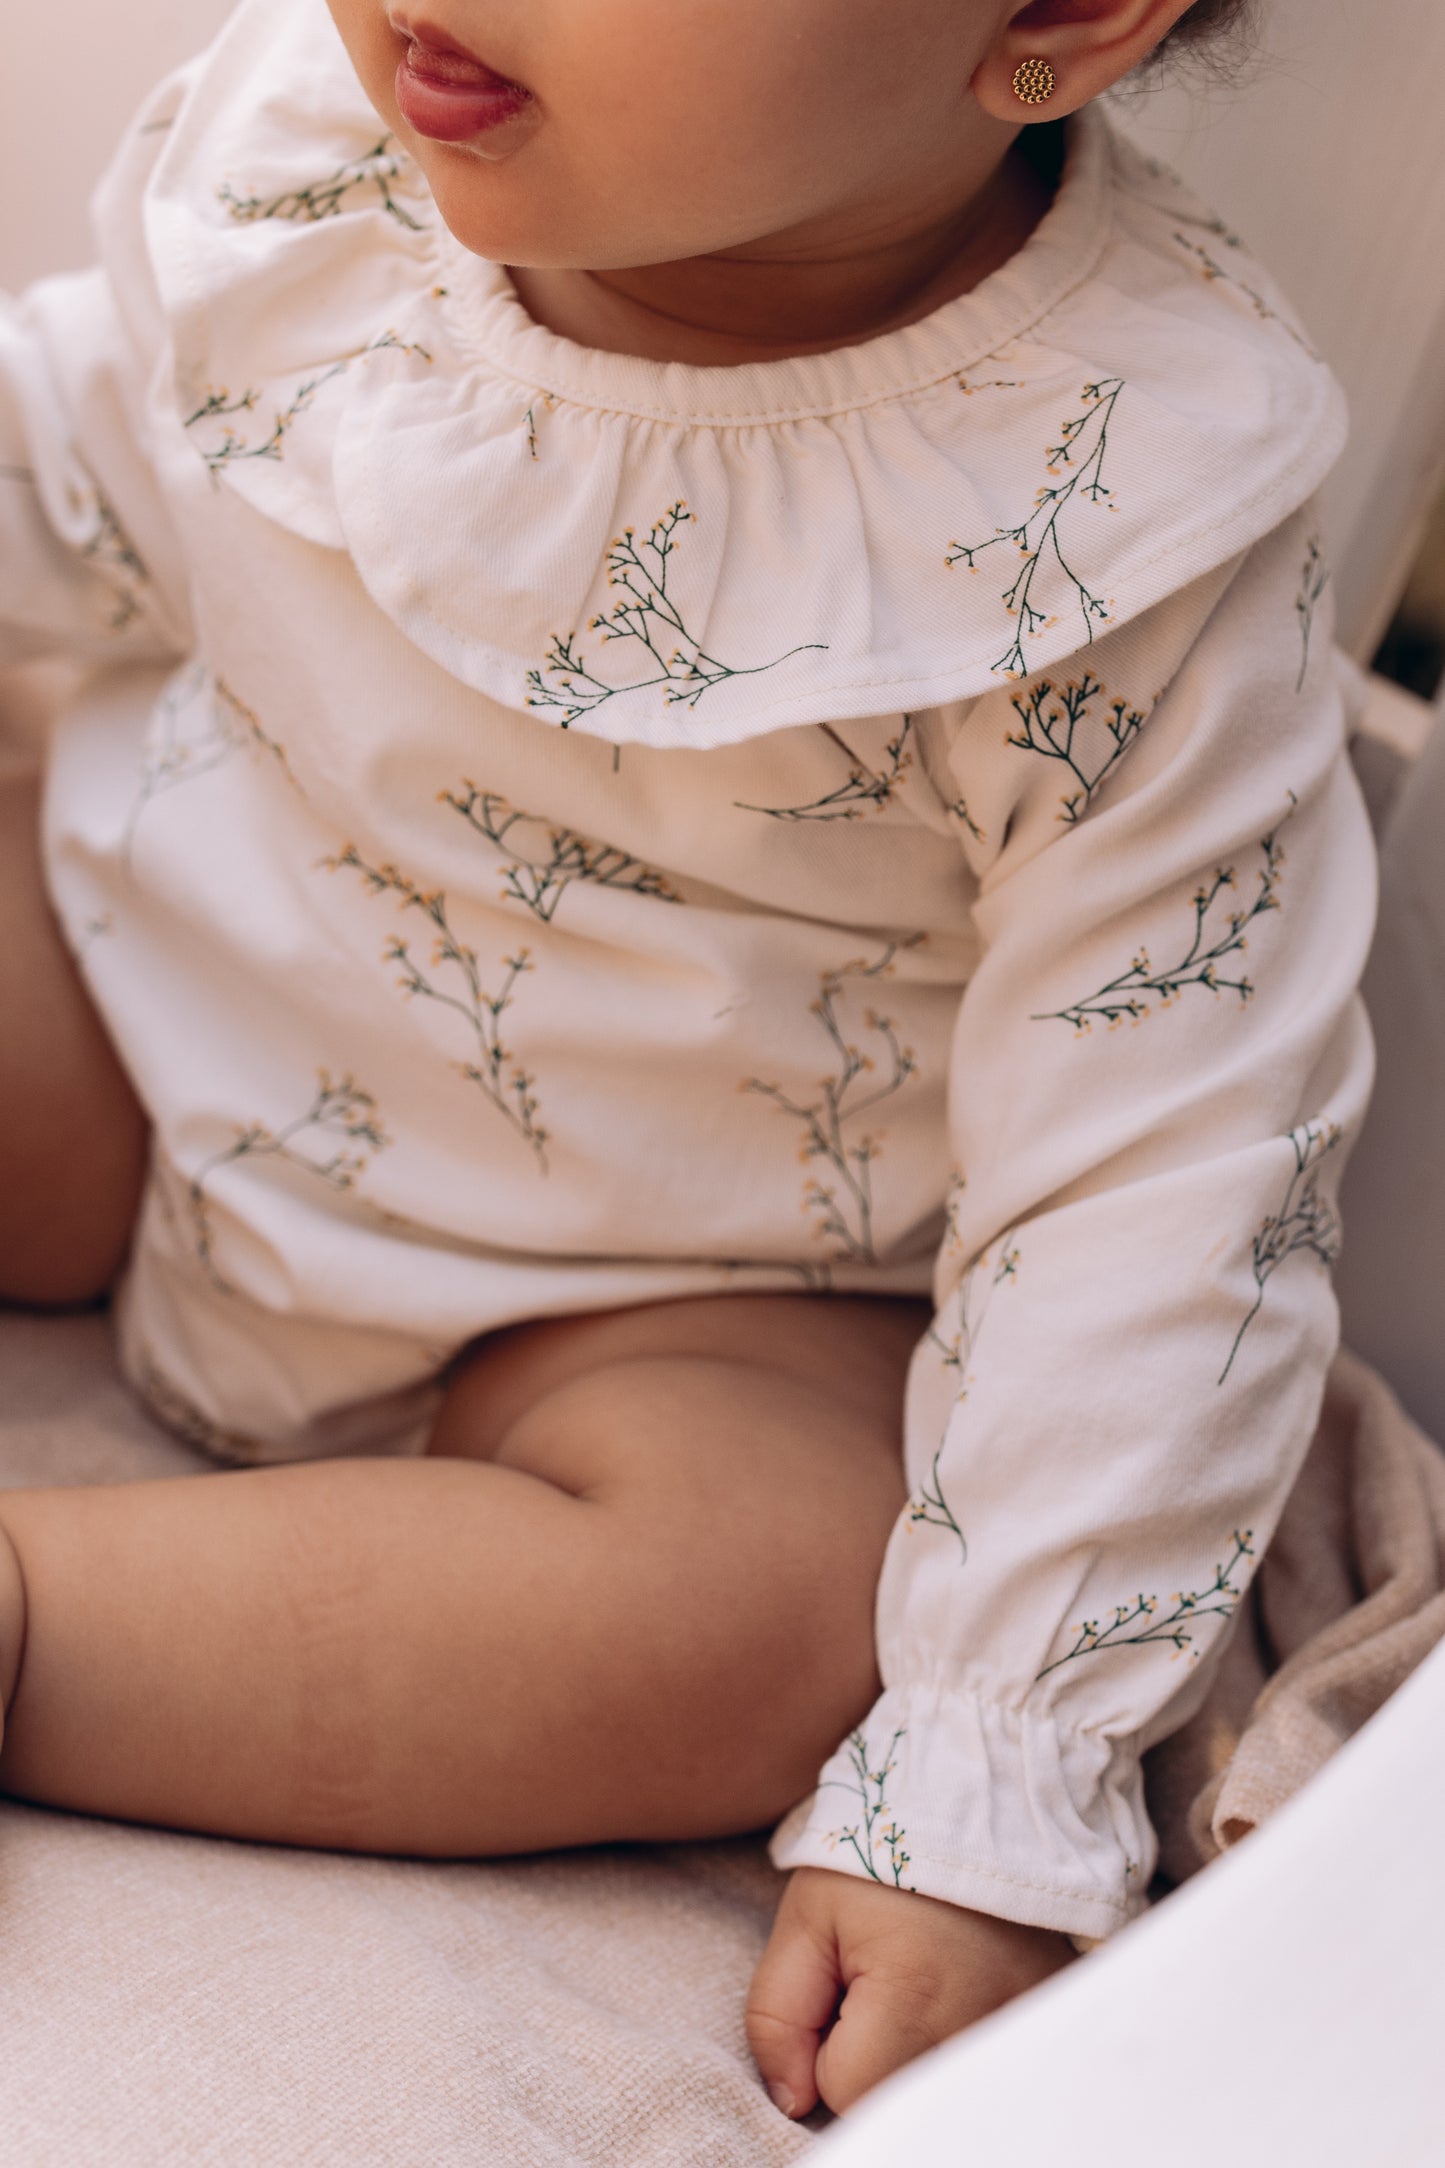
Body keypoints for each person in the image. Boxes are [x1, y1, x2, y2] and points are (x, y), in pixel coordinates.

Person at [0, 0, 1374, 2120]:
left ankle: (40, 1619)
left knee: (787, 1587)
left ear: (1061, 18)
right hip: (145, 1011)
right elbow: (71, 468)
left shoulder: (1114, 498)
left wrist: (993, 1767)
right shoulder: (322, 183)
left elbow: (1170, 1161)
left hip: (662, 1299)